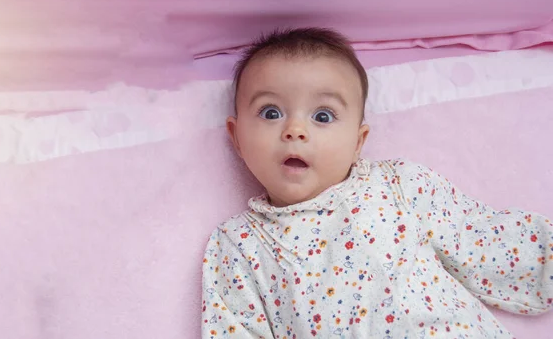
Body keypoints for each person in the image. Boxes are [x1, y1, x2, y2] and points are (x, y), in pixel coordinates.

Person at [201, 27, 553, 338]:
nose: (295, 130)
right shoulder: (238, 245)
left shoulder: (398, 184)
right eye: (270, 112)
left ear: (358, 141)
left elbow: (480, 240)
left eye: (323, 116)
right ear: (237, 137)